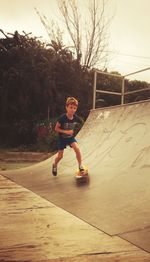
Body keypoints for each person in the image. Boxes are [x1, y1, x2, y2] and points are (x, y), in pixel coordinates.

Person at [52, 97, 84, 176]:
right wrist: (66, 131)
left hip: (70, 138)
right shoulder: (62, 118)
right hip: (62, 139)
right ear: (66, 107)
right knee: (60, 156)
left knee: (77, 148)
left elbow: (83, 123)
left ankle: (80, 166)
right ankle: (54, 165)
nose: (72, 110)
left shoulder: (76, 118)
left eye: (74, 108)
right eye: (70, 107)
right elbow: (56, 128)